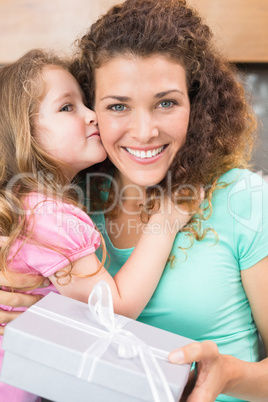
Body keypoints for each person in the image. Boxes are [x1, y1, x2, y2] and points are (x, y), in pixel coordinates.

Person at [1, 0, 268, 401]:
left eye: (166, 102)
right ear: (94, 111)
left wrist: (231, 376)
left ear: (196, 104)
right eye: (118, 106)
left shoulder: (241, 198)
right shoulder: (68, 201)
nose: (144, 132)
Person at [0, 48, 198, 401]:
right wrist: (165, 220)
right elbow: (116, 309)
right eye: (67, 107)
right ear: (24, 133)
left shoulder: (25, 208)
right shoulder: (50, 217)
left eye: (86, 102)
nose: (93, 115)